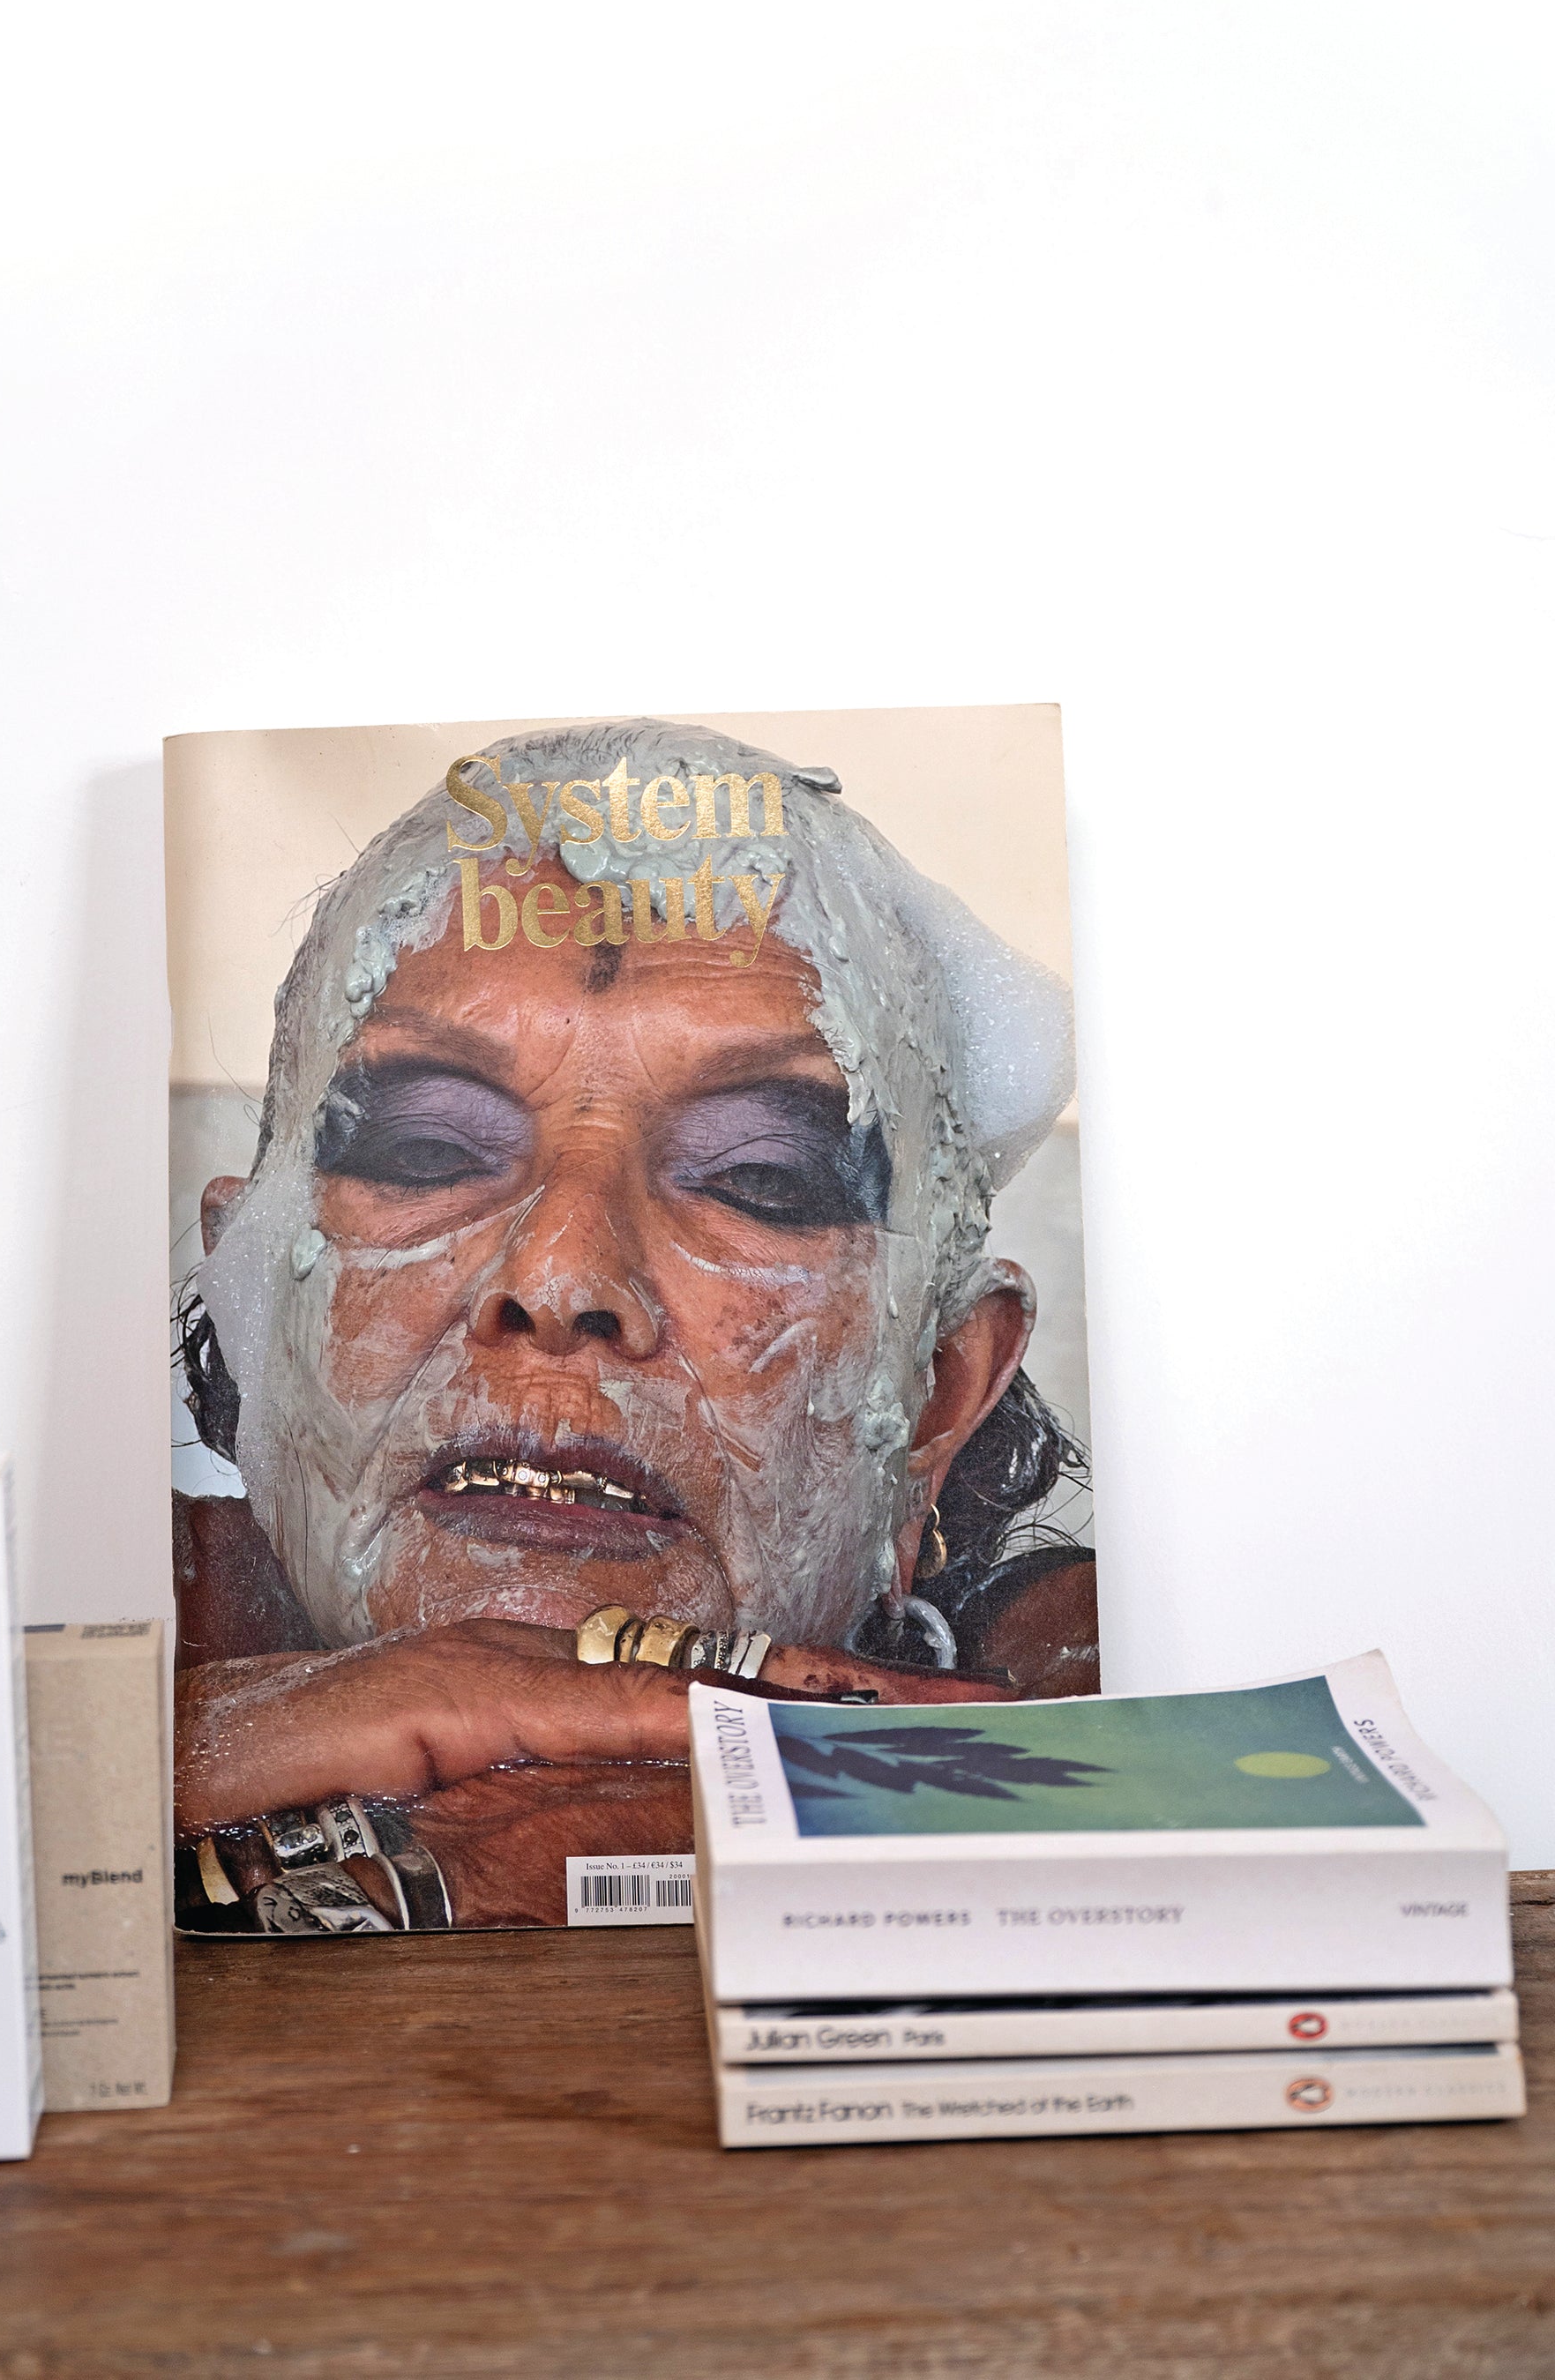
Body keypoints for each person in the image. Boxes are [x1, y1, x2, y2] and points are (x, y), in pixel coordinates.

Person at [174, 720, 1095, 1933]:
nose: (562, 1279)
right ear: (258, 1311)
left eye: (756, 1177)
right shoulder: (75, 1666)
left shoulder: (1095, 1718)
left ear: (934, 1392)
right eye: (428, 1149)